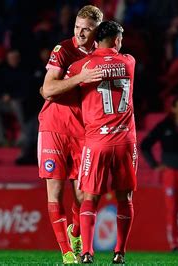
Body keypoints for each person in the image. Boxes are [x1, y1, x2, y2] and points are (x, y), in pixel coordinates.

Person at [67, 21, 136, 264]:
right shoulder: (129, 62)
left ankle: (87, 252)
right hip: (126, 141)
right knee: (124, 198)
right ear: (116, 40)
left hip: (96, 142)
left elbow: (56, 87)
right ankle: (119, 253)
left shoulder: (81, 67)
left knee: (89, 197)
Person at [37, 5, 103, 264]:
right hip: (54, 126)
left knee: (84, 196)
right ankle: (66, 253)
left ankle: (75, 231)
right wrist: (80, 78)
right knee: (55, 191)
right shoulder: (63, 49)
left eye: (86, 29)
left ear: (97, 29)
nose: (80, 33)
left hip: (84, 131)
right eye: (77, 27)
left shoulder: (103, 55)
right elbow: (48, 89)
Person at [140, 95, 178, 252]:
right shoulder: (165, 125)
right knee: (172, 209)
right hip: (171, 173)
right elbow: (145, 145)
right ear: (174, 109)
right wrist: (154, 165)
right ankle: (174, 244)